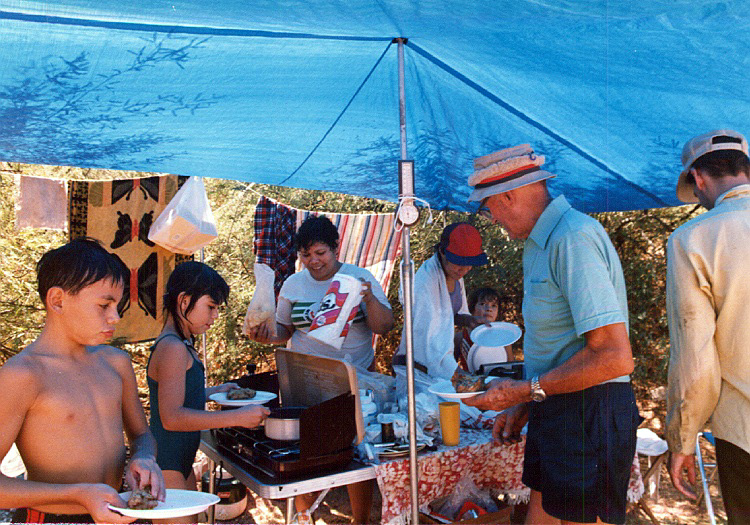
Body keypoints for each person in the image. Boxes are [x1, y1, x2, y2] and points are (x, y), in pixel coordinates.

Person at [462, 144, 639, 525]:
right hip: (559, 403)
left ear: (508, 195)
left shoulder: (572, 238)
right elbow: (556, 346)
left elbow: (613, 356)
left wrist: (525, 391)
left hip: (591, 408)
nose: (491, 219)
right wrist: (526, 403)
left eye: (487, 206)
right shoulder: (538, 244)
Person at [0, 238, 165, 524]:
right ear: (58, 301)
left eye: (118, 306)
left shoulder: (116, 362)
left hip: (120, 513)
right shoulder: (23, 375)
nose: (115, 318)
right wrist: (79, 494)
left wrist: (144, 458)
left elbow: (141, 435)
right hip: (53, 518)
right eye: (104, 305)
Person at [247, 215, 393, 524]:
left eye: (320, 253)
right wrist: (265, 335)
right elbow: (285, 329)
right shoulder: (294, 284)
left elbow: (385, 326)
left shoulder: (357, 278)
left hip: (352, 378)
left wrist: (366, 297)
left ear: (336, 249)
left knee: (356, 453)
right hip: (304, 378)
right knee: (304, 448)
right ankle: (303, 516)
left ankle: (360, 519)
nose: (313, 261)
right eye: (305, 254)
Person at [665, 129, 750, 524]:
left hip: (744, 432)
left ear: (698, 178)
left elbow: (697, 359)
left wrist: (682, 438)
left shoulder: (693, 237)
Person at [147, 261, 269, 523]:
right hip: (167, 465)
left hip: (179, 461)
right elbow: (171, 417)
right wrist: (235, 417)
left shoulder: (180, 343)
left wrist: (214, 392)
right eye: (210, 307)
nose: (214, 316)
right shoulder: (172, 348)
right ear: (184, 301)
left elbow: (179, 394)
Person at [392, 222, 488, 380]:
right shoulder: (426, 282)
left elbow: (451, 315)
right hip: (418, 368)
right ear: (443, 252)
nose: (464, 270)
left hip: (438, 366)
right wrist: (456, 374)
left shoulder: (455, 276)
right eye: (460, 264)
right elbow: (430, 341)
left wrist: (469, 320)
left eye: (469, 264)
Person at [454, 287, 514, 371]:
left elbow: (511, 367)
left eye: (493, 306)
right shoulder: (461, 337)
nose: (488, 309)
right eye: (482, 304)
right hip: (471, 382)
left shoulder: (503, 338)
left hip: (498, 382)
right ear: (472, 308)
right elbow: (450, 367)